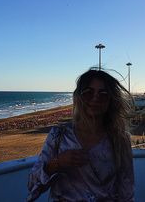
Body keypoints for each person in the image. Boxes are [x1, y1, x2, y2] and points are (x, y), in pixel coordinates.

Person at [27, 69, 135, 201]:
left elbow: (127, 191)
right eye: (88, 93)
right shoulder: (58, 135)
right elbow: (32, 184)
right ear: (78, 97)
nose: (95, 98)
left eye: (103, 94)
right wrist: (57, 163)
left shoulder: (119, 139)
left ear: (110, 101)